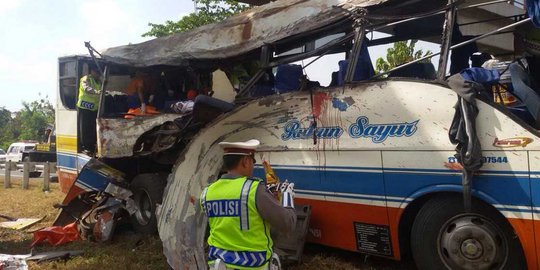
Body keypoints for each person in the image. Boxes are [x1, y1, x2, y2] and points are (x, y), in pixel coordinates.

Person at [200, 139, 296, 270]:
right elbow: (287, 224)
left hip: (219, 264)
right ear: (245, 161)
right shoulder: (254, 189)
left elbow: (230, 221)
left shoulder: (207, 192)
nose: (253, 165)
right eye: (253, 161)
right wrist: (287, 196)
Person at [508, 21, 540, 124]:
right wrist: (518, 57)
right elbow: (518, 35)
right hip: (530, 60)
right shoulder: (528, 20)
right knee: (514, 69)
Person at [77, 65, 101, 153]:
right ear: (92, 71)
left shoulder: (99, 81)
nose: (98, 75)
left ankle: (92, 145)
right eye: (97, 72)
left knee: (92, 128)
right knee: (85, 128)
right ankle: (86, 147)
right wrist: (97, 92)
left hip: (94, 109)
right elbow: (86, 89)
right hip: (84, 107)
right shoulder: (86, 79)